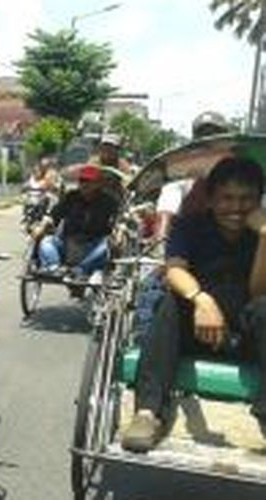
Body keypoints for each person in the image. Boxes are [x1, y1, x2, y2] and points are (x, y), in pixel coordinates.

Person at [122, 157, 266, 453]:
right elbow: (174, 269)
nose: (236, 208)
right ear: (211, 200)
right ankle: (148, 412)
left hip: (246, 334)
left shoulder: (259, 234)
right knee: (172, 301)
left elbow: (257, 293)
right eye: (227, 198)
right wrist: (201, 300)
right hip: (196, 332)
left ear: (258, 201)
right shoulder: (190, 226)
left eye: (246, 199)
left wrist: (265, 237)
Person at [31, 165, 119, 281]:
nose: (84, 184)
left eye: (89, 181)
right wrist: (41, 227)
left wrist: (119, 232)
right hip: (68, 243)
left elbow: (118, 221)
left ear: (98, 184)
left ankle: (80, 270)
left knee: (107, 246)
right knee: (46, 241)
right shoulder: (71, 197)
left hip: (93, 245)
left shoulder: (109, 201)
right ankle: (54, 268)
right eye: (82, 181)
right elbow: (53, 215)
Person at [154, 111, 231, 240]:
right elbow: (169, 199)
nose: (209, 140)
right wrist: (162, 231)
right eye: (203, 135)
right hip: (193, 238)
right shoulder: (183, 169)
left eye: (215, 134)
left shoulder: (239, 166)